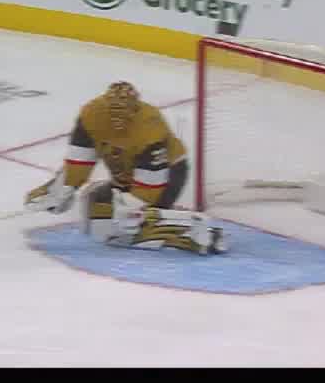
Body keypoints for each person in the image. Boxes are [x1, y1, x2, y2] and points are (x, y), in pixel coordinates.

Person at [24, 81, 227, 255]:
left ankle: (193, 233)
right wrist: (62, 190)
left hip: (169, 175)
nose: (118, 120)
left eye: (125, 113)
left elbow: (149, 190)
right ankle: (152, 222)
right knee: (96, 213)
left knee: (125, 224)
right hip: (126, 175)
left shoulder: (150, 127)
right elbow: (80, 161)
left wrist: (130, 210)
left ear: (135, 108)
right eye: (113, 112)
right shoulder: (90, 115)